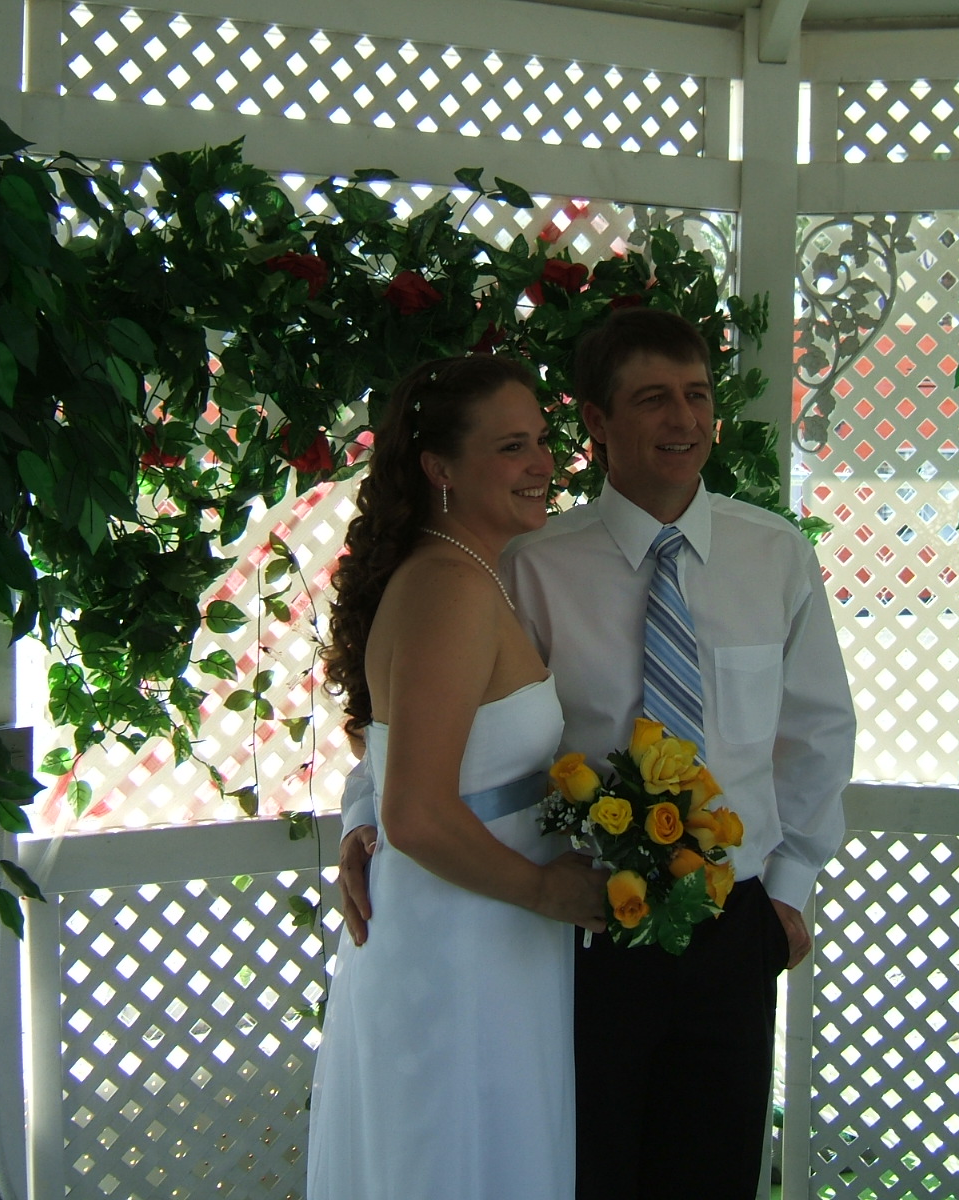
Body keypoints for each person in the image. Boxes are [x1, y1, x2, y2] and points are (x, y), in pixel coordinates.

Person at [340, 308, 857, 1199]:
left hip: (732, 918)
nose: (683, 419)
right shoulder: (524, 559)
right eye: (653, 398)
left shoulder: (776, 555)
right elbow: (432, 721)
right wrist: (364, 818)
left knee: (714, 1175)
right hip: (582, 927)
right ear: (598, 421)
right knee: (584, 1171)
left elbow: (817, 732)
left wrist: (787, 894)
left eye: (697, 395)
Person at [305, 354, 607, 1200]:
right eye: (512, 447)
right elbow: (417, 813)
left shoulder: (468, 574)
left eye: (541, 440)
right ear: (441, 468)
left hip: (485, 932)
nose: (542, 463)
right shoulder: (450, 590)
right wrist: (546, 890)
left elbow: (392, 761)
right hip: (462, 941)